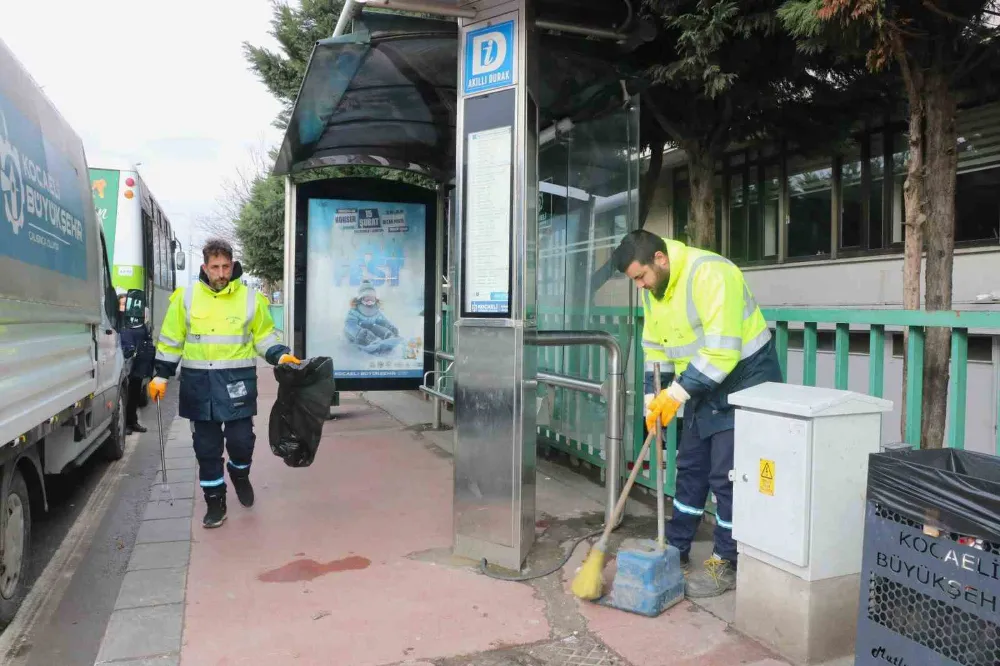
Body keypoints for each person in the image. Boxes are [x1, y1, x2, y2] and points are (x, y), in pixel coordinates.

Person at [611, 230, 783, 598]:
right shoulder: (655, 290)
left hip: (745, 381)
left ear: (660, 259)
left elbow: (722, 350)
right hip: (701, 381)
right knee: (690, 466)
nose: (640, 286)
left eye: (641, 276)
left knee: (728, 476)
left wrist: (675, 395)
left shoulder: (711, 273)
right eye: (634, 281)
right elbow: (655, 347)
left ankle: (727, 561)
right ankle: (676, 548)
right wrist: (652, 399)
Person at [149, 239, 299, 528]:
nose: (221, 273)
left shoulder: (251, 298)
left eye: (226, 267)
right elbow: (171, 339)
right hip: (198, 385)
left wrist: (280, 355)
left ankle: (239, 473)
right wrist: (160, 374)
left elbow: (264, 336)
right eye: (215, 267)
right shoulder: (186, 298)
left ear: (233, 266)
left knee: (242, 442)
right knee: (206, 449)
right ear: (205, 267)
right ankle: (215, 502)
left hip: (236, 382)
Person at [118, 292, 154, 434]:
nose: (124, 307)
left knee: (134, 395)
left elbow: (146, 341)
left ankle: (132, 422)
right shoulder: (117, 322)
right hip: (123, 363)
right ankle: (125, 424)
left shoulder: (138, 322)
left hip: (137, 364)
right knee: (124, 396)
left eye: (126, 304)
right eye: (122, 304)